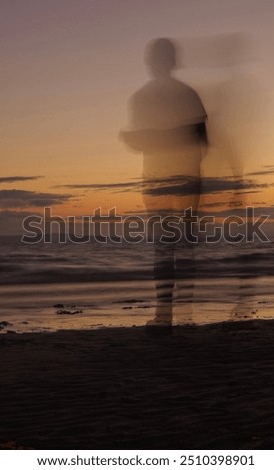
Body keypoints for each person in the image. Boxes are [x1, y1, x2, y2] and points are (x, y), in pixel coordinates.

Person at [121, 38, 208, 329]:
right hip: (184, 178)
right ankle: (181, 314)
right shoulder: (186, 94)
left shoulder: (143, 97)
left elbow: (150, 141)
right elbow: (202, 140)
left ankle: (166, 314)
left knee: (165, 246)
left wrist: (139, 140)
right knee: (182, 246)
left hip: (160, 179)